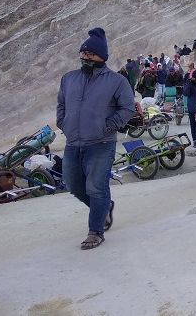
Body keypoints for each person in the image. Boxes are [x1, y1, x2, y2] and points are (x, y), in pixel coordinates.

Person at [57, 27, 135, 249]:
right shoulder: (69, 78)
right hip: (73, 142)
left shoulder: (116, 81)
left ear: (102, 56)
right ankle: (105, 207)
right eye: (83, 53)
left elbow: (127, 108)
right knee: (73, 185)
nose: (85, 57)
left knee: (96, 188)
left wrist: (107, 127)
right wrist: (63, 123)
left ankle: (95, 231)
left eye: (90, 54)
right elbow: (61, 104)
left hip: (101, 143)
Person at [183, 70, 196, 148]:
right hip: (192, 109)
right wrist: (189, 83)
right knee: (193, 125)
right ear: (193, 78)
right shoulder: (190, 84)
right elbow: (185, 93)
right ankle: (195, 141)